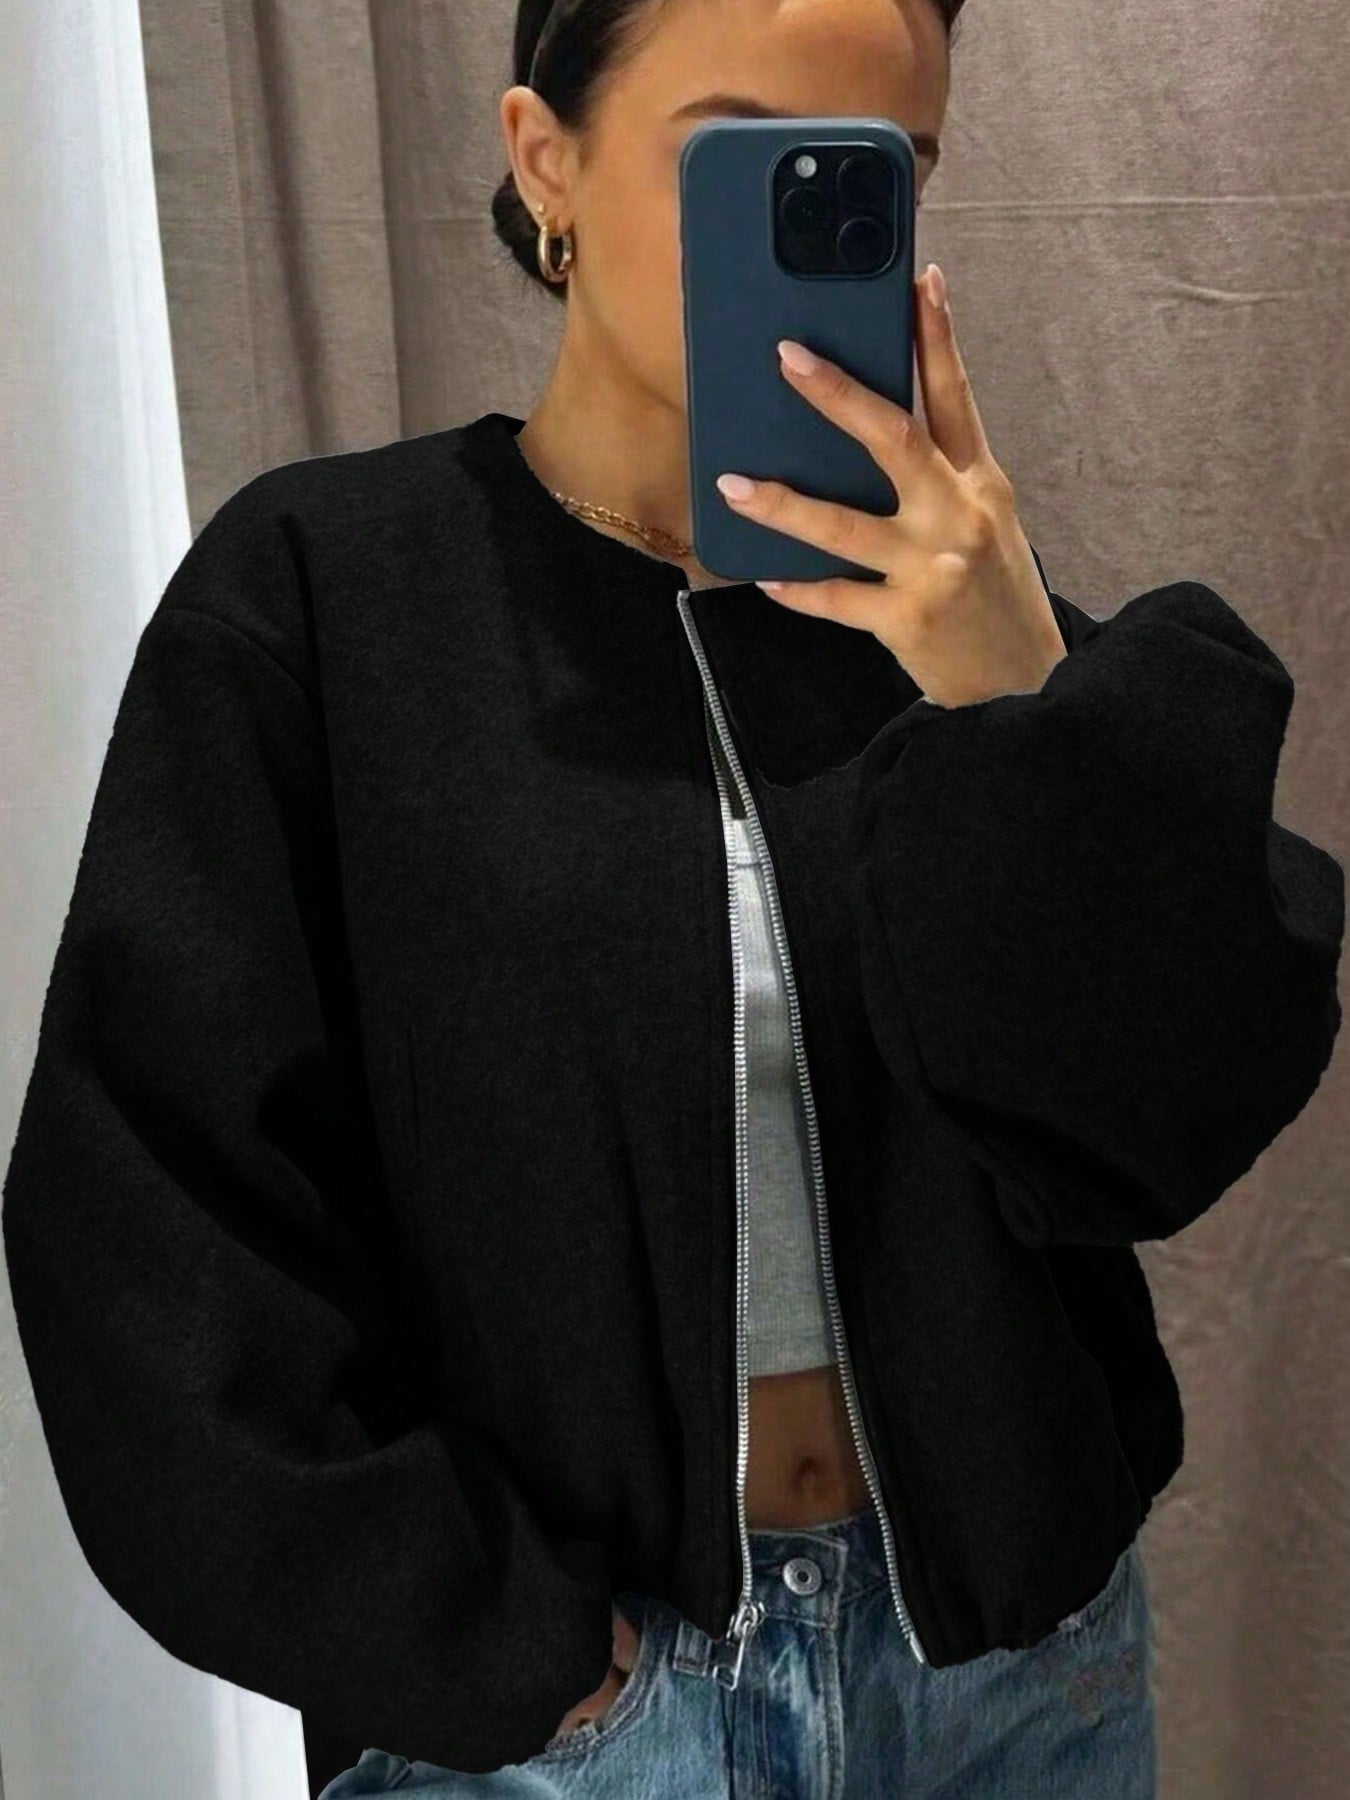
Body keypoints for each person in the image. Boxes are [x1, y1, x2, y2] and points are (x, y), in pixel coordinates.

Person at [3, 1, 1342, 1797]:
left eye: (877, 172)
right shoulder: (328, 599)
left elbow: (1162, 1124)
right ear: (543, 158)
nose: (813, 221)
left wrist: (1026, 704)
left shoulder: (957, 621)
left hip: (1018, 1698)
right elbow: (148, 1220)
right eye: (739, 151)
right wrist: (511, 1659)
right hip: (574, 1735)